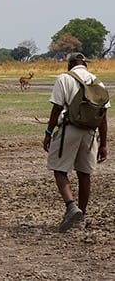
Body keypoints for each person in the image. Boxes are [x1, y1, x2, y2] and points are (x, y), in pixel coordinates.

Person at [43, 52, 109, 232]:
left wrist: (48, 132)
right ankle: (82, 216)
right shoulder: (97, 81)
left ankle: (71, 206)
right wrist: (103, 144)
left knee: (59, 169)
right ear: (84, 64)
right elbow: (103, 117)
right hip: (90, 133)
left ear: (69, 64)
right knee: (84, 173)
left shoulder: (64, 78)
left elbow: (57, 107)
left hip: (69, 130)